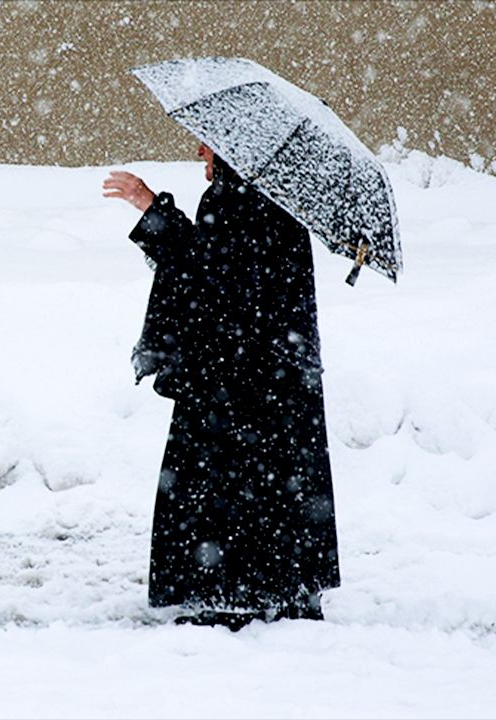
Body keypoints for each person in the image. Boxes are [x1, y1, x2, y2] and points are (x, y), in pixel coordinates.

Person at [102, 142, 340, 631]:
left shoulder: (241, 200)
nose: (199, 152)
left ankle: (236, 589)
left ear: (236, 151)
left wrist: (153, 209)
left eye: (209, 144)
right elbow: (219, 271)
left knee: (231, 484)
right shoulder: (272, 199)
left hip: (239, 380)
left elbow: (206, 277)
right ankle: (280, 585)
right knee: (275, 483)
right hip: (269, 378)